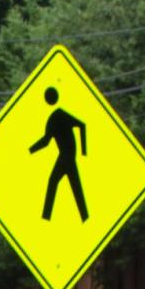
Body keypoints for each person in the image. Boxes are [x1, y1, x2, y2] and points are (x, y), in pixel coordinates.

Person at [30, 86, 88, 222]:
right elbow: (46, 141)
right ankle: (84, 217)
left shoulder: (58, 115)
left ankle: (46, 217)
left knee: (56, 183)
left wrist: (84, 151)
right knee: (74, 186)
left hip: (66, 156)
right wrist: (30, 150)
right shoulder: (55, 117)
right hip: (66, 155)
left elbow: (82, 125)